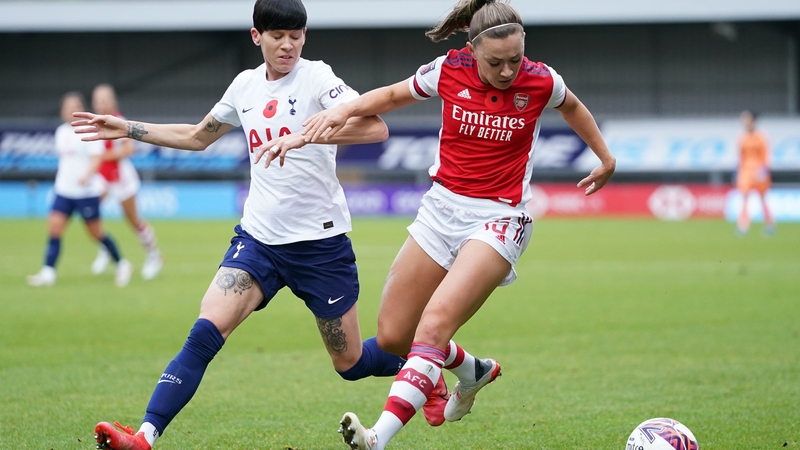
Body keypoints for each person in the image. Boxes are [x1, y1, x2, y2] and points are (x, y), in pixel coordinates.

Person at [72, 1, 443, 449]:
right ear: (256, 36)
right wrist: (128, 127)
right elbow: (196, 137)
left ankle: (425, 370)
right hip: (259, 241)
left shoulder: (318, 78)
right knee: (206, 330)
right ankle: (146, 436)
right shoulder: (244, 86)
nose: (288, 45)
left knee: (349, 362)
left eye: (297, 35)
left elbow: (374, 129)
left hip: (320, 246)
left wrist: (307, 132)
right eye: (277, 36)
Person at [302, 0, 617, 448]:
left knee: (432, 328)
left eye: (515, 59)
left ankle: (377, 437)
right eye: (495, 62)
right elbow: (393, 95)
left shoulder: (542, 80)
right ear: (473, 50)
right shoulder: (449, 69)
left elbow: (574, 108)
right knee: (394, 336)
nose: (508, 71)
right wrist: (342, 112)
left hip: (500, 217)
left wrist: (605, 159)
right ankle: (473, 372)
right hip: (441, 210)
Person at [27, 92, 133, 288]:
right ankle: (48, 272)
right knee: (54, 229)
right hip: (64, 190)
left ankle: (122, 264)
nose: (69, 110)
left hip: (86, 192)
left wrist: (86, 175)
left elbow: (97, 158)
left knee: (96, 233)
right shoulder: (60, 132)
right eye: (66, 107)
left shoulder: (89, 131)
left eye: (73, 106)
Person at [90, 83, 164, 280]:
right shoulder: (94, 122)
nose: (100, 104)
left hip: (122, 178)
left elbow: (129, 149)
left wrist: (105, 157)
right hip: (102, 177)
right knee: (90, 214)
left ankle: (154, 256)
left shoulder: (118, 120)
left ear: (112, 101)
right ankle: (106, 249)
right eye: (97, 100)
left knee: (133, 220)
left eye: (104, 100)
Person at [736, 110, 775, 236]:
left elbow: (765, 154)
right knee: (744, 198)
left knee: (762, 198)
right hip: (746, 171)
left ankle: (769, 223)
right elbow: (741, 156)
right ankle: (743, 225)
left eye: (746, 119)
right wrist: (739, 171)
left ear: (752, 120)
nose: (744, 121)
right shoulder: (742, 137)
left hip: (759, 171)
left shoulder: (761, 136)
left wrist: (764, 169)